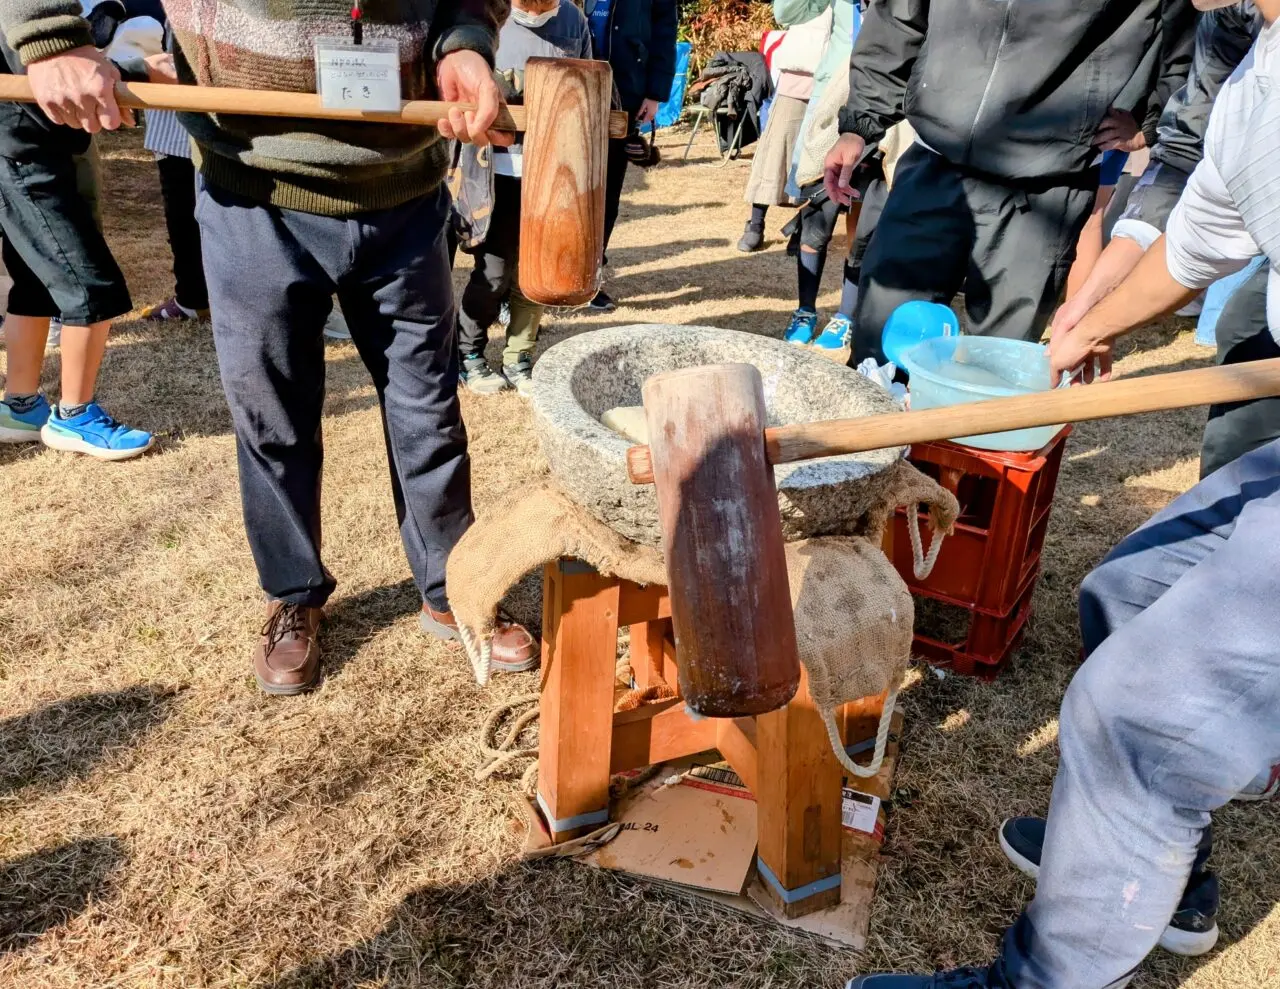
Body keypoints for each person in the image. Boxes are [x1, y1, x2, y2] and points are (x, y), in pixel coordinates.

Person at [849, 2, 1280, 984]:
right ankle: (1147, 853)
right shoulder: (1250, 55)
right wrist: (1081, 325)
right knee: (1126, 593)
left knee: (1133, 710)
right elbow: (1197, 226)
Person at [7, 0, 539, 693]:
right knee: (271, 411)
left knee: (428, 411)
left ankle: (455, 586)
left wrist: (464, 41)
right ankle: (293, 592)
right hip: (250, 181)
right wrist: (51, 37)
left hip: (404, 187)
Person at [825, 0, 1192, 365]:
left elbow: (1185, 30)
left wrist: (1149, 121)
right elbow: (899, 16)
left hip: (1047, 183)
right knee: (882, 342)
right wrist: (861, 123)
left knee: (996, 364)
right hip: (934, 158)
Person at [0, 5, 153, 459]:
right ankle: (74, 415)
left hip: (29, 150)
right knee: (90, 285)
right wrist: (141, 70)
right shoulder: (28, 15)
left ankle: (19, 404)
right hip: (23, 156)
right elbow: (55, 69)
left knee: (34, 280)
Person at [456, 0, 591, 396]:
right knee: (495, 272)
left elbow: (585, 83)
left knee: (535, 275)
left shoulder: (572, 20)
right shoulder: (482, 18)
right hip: (498, 172)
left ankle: (519, 355)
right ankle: (469, 354)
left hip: (552, 173)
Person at [774, 0, 860, 351]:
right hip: (831, 108)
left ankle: (847, 317)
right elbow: (786, 14)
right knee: (816, 217)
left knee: (864, 224)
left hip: (889, 110)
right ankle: (805, 310)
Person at [583, 0, 677, 312]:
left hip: (625, 89)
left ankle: (590, 279)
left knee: (605, 196)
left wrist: (654, 93)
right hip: (570, 83)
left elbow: (665, 30)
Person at [736, 8, 829, 253]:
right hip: (800, 71)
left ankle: (802, 226)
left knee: (819, 157)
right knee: (774, 150)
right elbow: (785, 11)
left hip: (838, 77)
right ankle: (755, 223)